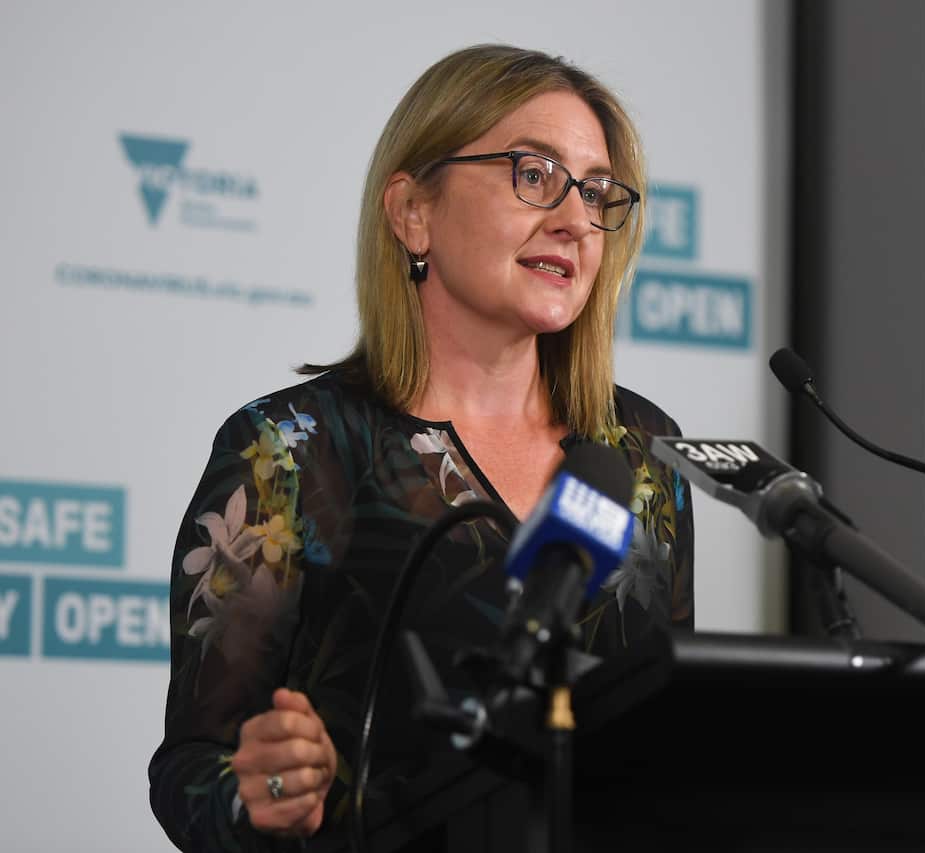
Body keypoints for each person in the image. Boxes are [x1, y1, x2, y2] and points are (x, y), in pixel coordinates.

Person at [148, 44, 694, 851]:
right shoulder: (293, 451)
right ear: (414, 212)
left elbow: (666, 742)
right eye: (533, 173)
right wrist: (260, 789)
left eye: (598, 192)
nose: (576, 220)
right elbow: (193, 769)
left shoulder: (642, 452)